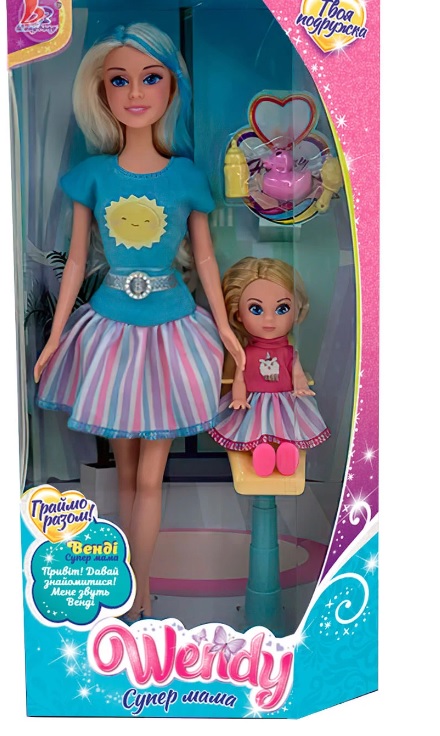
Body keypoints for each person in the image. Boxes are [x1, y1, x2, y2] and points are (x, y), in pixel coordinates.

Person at [33, 22, 244, 622]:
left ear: (171, 87)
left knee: (150, 478)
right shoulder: (94, 176)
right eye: (119, 80)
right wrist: (55, 337)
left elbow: (207, 259)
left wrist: (227, 333)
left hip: (174, 330)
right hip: (109, 330)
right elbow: (77, 261)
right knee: (125, 474)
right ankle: (127, 591)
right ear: (101, 91)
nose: (134, 93)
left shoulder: (186, 177)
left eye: (150, 78)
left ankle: (141, 588)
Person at [209, 257, 329, 477]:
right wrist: (239, 397)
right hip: (254, 400)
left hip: (284, 399)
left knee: (287, 427)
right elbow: (240, 377)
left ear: (296, 311)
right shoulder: (245, 353)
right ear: (238, 313)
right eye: (256, 309)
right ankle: (260, 451)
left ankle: (286, 451)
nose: (269, 319)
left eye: (282, 308)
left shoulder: (288, 352)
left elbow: (297, 373)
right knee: (255, 428)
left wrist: (301, 387)